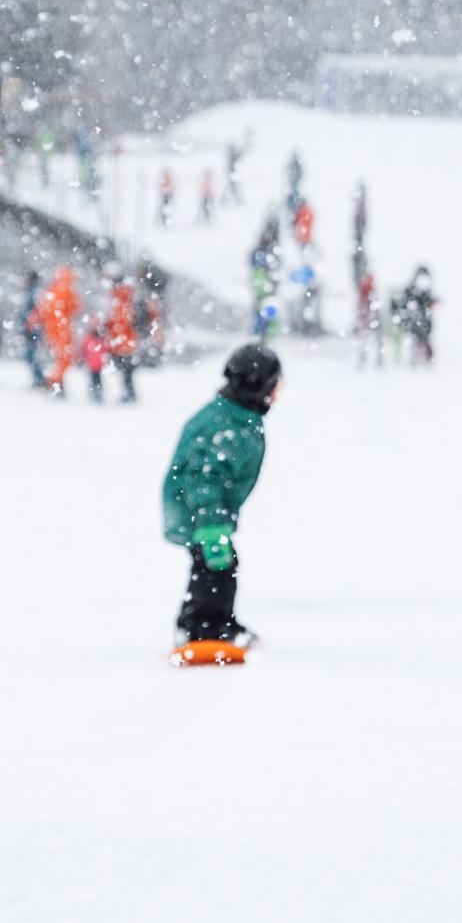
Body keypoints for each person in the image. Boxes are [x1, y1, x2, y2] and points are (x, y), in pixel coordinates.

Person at [161, 343, 281, 665]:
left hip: (208, 510)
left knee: (210, 564)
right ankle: (205, 627)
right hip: (200, 511)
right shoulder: (224, 427)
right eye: (274, 386)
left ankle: (205, 619)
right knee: (218, 564)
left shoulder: (236, 417)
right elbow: (202, 479)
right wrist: (211, 523)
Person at [37, 264, 80, 395]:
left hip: (52, 331)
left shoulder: (51, 290)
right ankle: (55, 384)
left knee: (58, 360)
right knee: (63, 360)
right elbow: (76, 307)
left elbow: (41, 310)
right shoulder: (66, 291)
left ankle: (54, 384)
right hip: (62, 330)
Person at [107, 279, 140, 403]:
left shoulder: (120, 304)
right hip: (125, 344)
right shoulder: (126, 302)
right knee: (126, 372)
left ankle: (129, 395)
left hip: (123, 344)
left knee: (126, 372)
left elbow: (120, 324)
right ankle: (129, 394)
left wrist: (111, 328)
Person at [402, 265, 438, 366]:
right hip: (418, 318)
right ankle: (420, 358)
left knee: (423, 338)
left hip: (422, 318)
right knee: (419, 338)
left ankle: (425, 358)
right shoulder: (415, 289)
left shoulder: (421, 289)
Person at [18, 270, 46, 389]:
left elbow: (35, 313)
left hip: (32, 330)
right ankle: (39, 379)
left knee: (31, 356)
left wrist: (30, 328)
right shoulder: (33, 291)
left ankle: (39, 380)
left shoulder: (34, 292)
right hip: (32, 329)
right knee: (31, 356)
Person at [79, 320, 110, 403]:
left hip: (95, 365)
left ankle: (96, 393)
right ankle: (96, 393)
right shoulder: (99, 339)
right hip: (95, 365)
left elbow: (83, 350)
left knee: (95, 379)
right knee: (96, 379)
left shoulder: (92, 338)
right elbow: (106, 350)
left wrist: (83, 358)